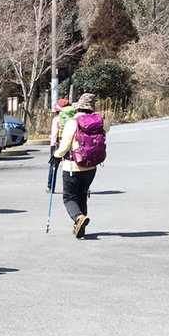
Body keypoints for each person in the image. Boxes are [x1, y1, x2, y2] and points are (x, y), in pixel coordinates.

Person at [54, 91, 107, 237]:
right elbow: (106, 130)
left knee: (69, 197)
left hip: (73, 166)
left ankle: (78, 218)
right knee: (82, 195)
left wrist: (56, 156)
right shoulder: (99, 122)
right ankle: (80, 227)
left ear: (78, 107)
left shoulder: (72, 122)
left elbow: (64, 147)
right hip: (91, 167)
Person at [47, 97, 74, 192]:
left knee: (53, 165)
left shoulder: (56, 119)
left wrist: (52, 146)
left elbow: (54, 134)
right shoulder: (73, 118)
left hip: (57, 144)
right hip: (70, 144)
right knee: (70, 165)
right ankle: (71, 187)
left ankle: (50, 186)